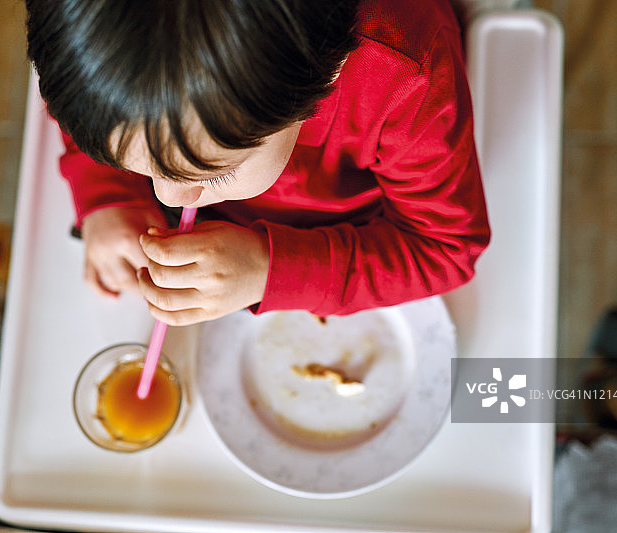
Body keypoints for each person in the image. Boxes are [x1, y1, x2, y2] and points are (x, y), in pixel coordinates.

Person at [25, 0, 491, 326]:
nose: (166, 194)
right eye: (144, 167)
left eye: (216, 171)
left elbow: (445, 247)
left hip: (358, 232)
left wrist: (269, 270)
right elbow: (89, 112)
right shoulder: (101, 50)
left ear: (326, 73)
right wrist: (109, 194)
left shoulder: (405, 75)